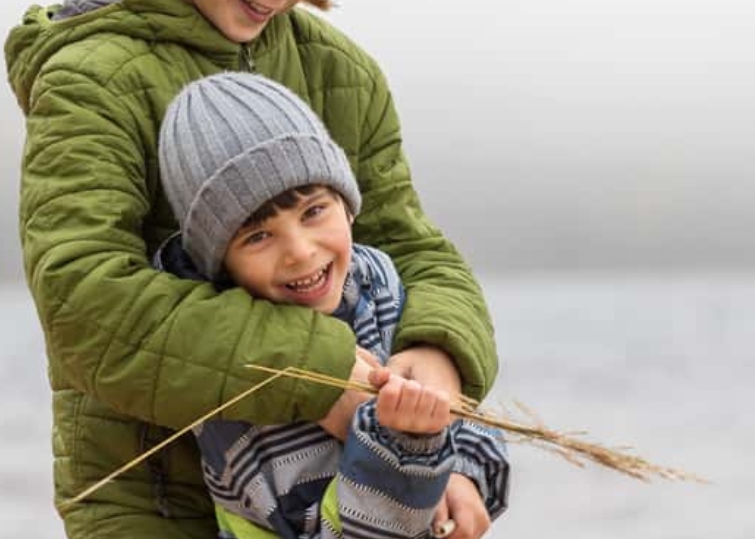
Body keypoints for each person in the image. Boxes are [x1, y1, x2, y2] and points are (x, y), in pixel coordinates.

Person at [4, 0, 498, 537]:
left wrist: (436, 403)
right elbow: (83, 300)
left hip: (347, 493)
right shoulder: (94, 78)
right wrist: (321, 375)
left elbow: (411, 245)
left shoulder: (340, 72)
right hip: (155, 501)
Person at [152, 72, 509, 539]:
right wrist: (407, 450)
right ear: (222, 265)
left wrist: (462, 472)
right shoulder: (244, 385)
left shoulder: (376, 279)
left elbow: (464, 419)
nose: (300, 251)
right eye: (258, 236)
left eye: (313, 211)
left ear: (348, 204)